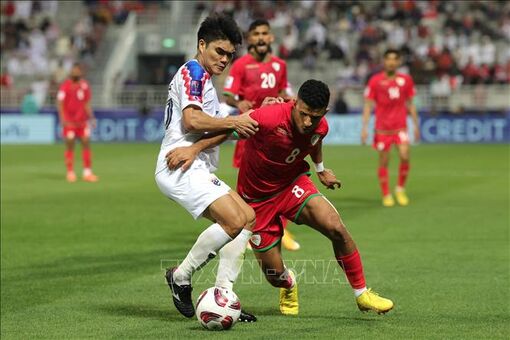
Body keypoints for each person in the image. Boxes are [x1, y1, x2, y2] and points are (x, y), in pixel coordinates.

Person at [167, 80, 394, 316]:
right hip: (255, 201)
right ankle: (288, 284)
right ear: (295, 103)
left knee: (335, 227)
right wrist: (194, 149)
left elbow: (314, 141)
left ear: (324, 113)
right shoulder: (270, 117)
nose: (308, 122)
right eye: (304, 114)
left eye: (314, 117)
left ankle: (362, 294)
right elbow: (228, 131)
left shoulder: (320, 126)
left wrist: (320, 169)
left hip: (291, 185)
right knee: (274, 275)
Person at [155, 13, 259, 322]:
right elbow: (193, 120)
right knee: (236, 218)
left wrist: (251, 114)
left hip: (193, 161)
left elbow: (222, 129)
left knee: (247, 218)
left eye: (230, 54)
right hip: (179, 163)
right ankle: (181, 276)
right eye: (219, 51)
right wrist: (233, 121)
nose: (225, 59)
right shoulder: (193, 72)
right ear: (202, 45)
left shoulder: (207, 85)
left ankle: (223, 297)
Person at [223, 18, 300, 251]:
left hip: (275, 135)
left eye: (264, 33)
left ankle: (280, 229)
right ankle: (246, 229)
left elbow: (285, 90)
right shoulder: (240, 65)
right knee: (247, 185)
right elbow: (228, 94)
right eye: (255, 33)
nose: (260, 37)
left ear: (271, 37)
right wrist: (240, 101)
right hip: (249, 131)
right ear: (250, 39)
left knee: (280, 182)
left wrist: (292, 101)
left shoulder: (279, 65)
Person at [361, 49, 420, 207]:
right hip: (382, 129)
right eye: (388, 59)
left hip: (401, 127)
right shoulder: (375, 81)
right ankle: (386, 193)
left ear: (399, 62)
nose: (391, 62)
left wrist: (415, 125)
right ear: (384, 61)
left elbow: (410, 104)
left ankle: (400, 189)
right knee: (384, 161)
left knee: (405, 155)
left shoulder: (406, 80)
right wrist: (365, 128)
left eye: (395, 59)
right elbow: (368, 105)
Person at [57, 63, 98, 182]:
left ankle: (87, 172)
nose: (75, 73)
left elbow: (87, 104)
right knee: (70, 144)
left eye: (77, 71)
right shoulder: (65, 86)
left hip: (82, 122)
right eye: (73, 70)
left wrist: (92, 117)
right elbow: (60, 103)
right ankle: (70, 172)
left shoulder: (84, 86)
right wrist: (62, 119)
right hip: (69, 122)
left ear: (80, 72)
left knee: (86, 142)